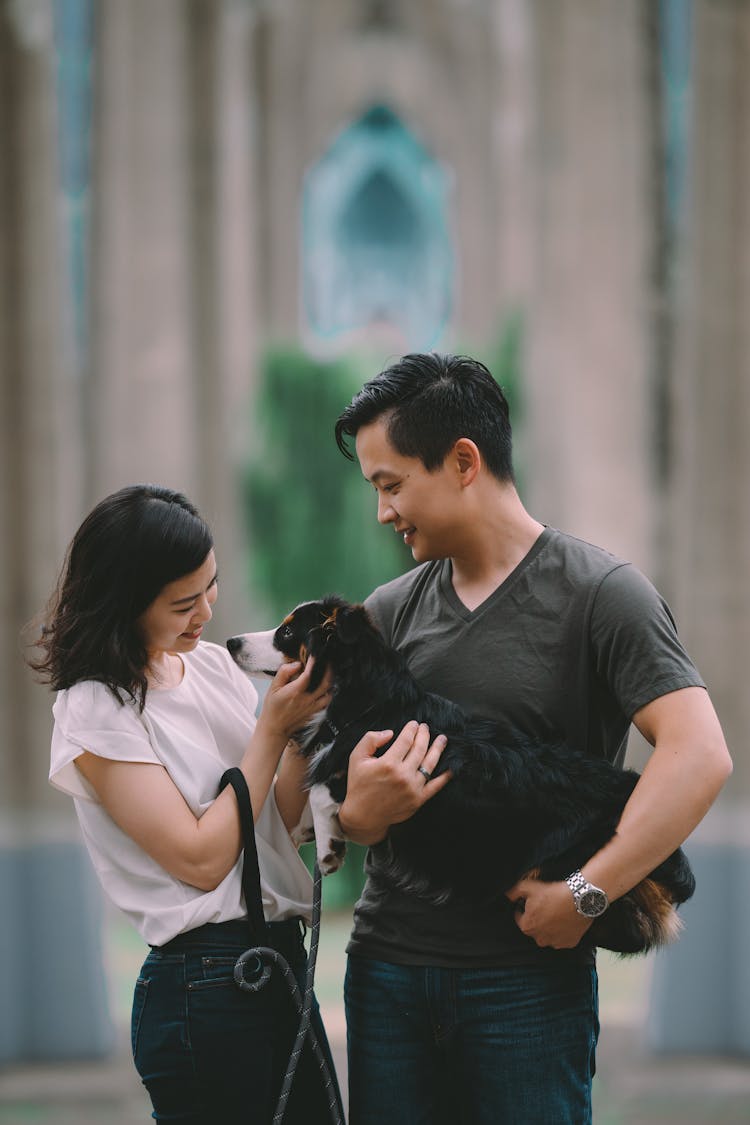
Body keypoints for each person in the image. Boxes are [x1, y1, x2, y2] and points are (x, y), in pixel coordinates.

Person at [332, 353, 733, 1125]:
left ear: (462, 462)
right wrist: (358, 817)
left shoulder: (602, 594)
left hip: (527, 985)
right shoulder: (386, 613)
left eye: (391, 485)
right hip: (387, 979)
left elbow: (699, 754)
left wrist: (588, 892)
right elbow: (329, 793)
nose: (384, 512)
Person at [31, 483, 366, 1124]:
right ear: (123, 605)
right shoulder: (95, 706)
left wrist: (306, 720)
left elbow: (281, 823)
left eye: (211, 587)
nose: (206, 612)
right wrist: (271, 728)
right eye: (183, 603)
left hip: (282, 964)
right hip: (202, 983)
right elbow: (201, 860)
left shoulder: (213, 667)